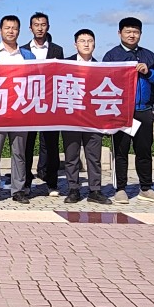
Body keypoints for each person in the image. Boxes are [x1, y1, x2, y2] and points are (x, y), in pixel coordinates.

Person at [102, 17, 154, 204]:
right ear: (119, 33)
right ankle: (120, 189)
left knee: (144, 151)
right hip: (120, 111)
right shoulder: (112, 56)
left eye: (135, 32)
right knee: (120, 151)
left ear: (140, 34)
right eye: (128, 31)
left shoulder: (148, 55)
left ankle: (145, 188)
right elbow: (103, 81)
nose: (132, 35)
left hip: (143, 110)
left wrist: (148, 72)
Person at [0, 15, 36, 204]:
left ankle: (18, 190)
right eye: (7, 28)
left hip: (20, 111)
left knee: (19, 153)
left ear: (19, 31)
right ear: (0, 31)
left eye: (14, 28)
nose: (10, 31)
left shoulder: (27, 56)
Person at [60, 29, 111, 204]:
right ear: (75, 44)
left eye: (90, 41)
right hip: (71, 119)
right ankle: (73, 189)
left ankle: (95, 190)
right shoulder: (64, 65)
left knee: (94, 157)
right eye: (82, 41)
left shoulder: (101, 67)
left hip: (93, 120)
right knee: (71, 156)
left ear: (94, 44)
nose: (86, 44)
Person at [20, 12, 65, 196]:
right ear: (30, 28)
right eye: (36, 25)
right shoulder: (22, 50)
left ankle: (51, 182)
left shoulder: (57, 50)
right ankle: (26, 181)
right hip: (28, 102)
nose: (40, 28)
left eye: (43, 24)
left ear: (48, 27)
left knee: (51, 144)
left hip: (49, 102)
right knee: (27, 144)